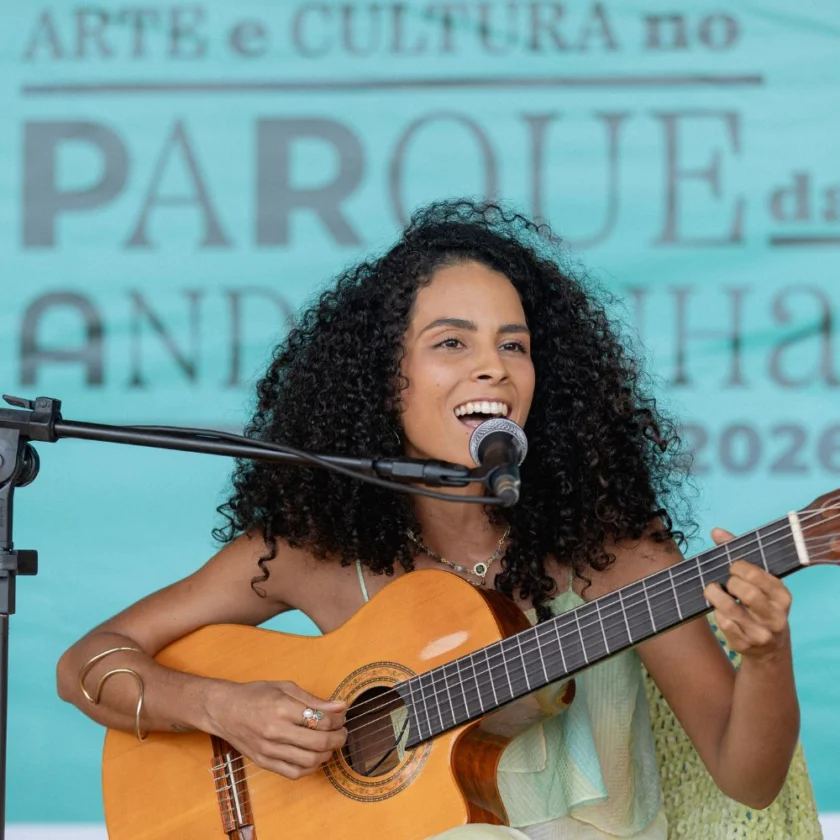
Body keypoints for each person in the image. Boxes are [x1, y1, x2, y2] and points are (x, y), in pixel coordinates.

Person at [57, 200, 820, 839]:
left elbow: (748, 781)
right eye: (451, 342)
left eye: (514, 346)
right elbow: (85, 664)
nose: (493, 367)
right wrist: (222, 707)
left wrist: (766, 658)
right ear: (382, 377)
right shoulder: (312, 551)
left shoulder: (609, 548)